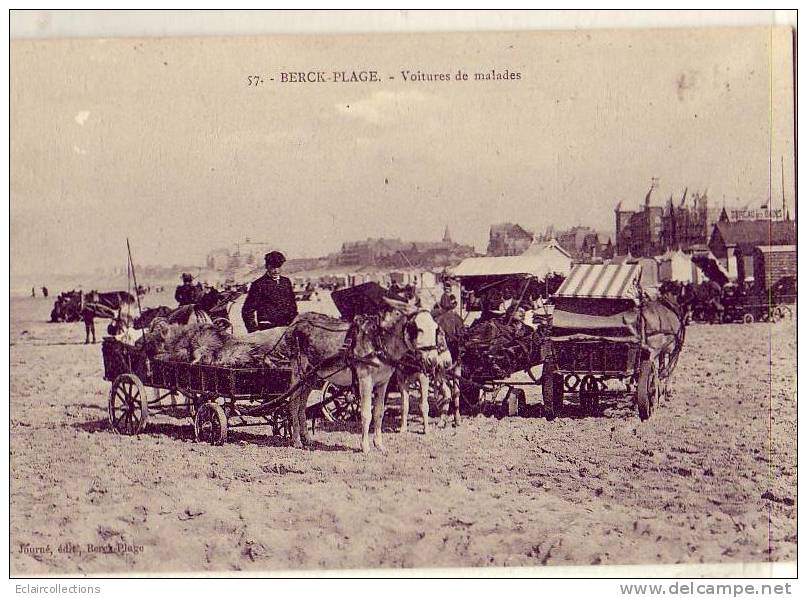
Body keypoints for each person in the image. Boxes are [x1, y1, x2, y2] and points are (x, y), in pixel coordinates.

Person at [241, 251, 298, 332]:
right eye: (273, 267)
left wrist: (294, 323)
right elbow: (247, 311)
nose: (276, 271)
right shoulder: (258, 284)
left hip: (287, 327)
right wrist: (254, 332)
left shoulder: (286, 282)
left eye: (278, 267)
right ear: (266, 267)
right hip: (268, 330)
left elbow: (293, 306)